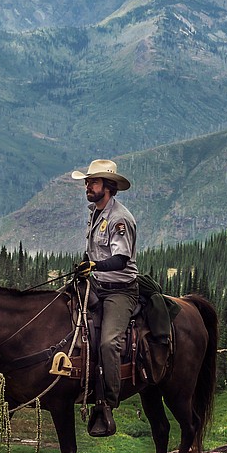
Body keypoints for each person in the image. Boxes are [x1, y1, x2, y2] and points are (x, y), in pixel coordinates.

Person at [71, 159, 139, 437]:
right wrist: (85, 265)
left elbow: (121, 259)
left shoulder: (119, 218)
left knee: (109, 343)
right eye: (87, 181)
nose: (88, 186)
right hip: (97, 284)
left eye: (94, 182)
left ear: (108, 187)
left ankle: (108, 403)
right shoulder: (95, 213)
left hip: (120, 290)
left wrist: (95, 267)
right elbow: (95, 252)